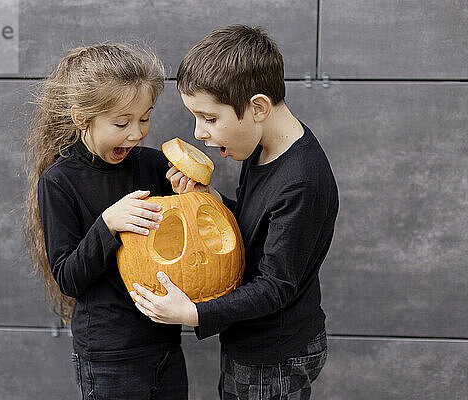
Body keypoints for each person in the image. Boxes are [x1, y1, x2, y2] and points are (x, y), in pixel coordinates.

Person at [130, 25, 339, 400]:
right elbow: (258, 224)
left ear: (258, 107)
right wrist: (213, 198)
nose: (199, 133)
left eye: (210, 118)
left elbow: (276, 286)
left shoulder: (302, 182)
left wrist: (194, 313)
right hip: (253, 341)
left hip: (273, 355)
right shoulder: (263, 147)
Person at [22, 43, 187, 400]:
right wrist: (107, 224)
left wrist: (193, 193)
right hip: (109, 355)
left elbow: (188, 242)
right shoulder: (59, 180)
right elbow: (68, 277)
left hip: (165, 343)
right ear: (82, 117)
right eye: (122, 122)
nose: (137, 133)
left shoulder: (154, 165)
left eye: (145, 118)